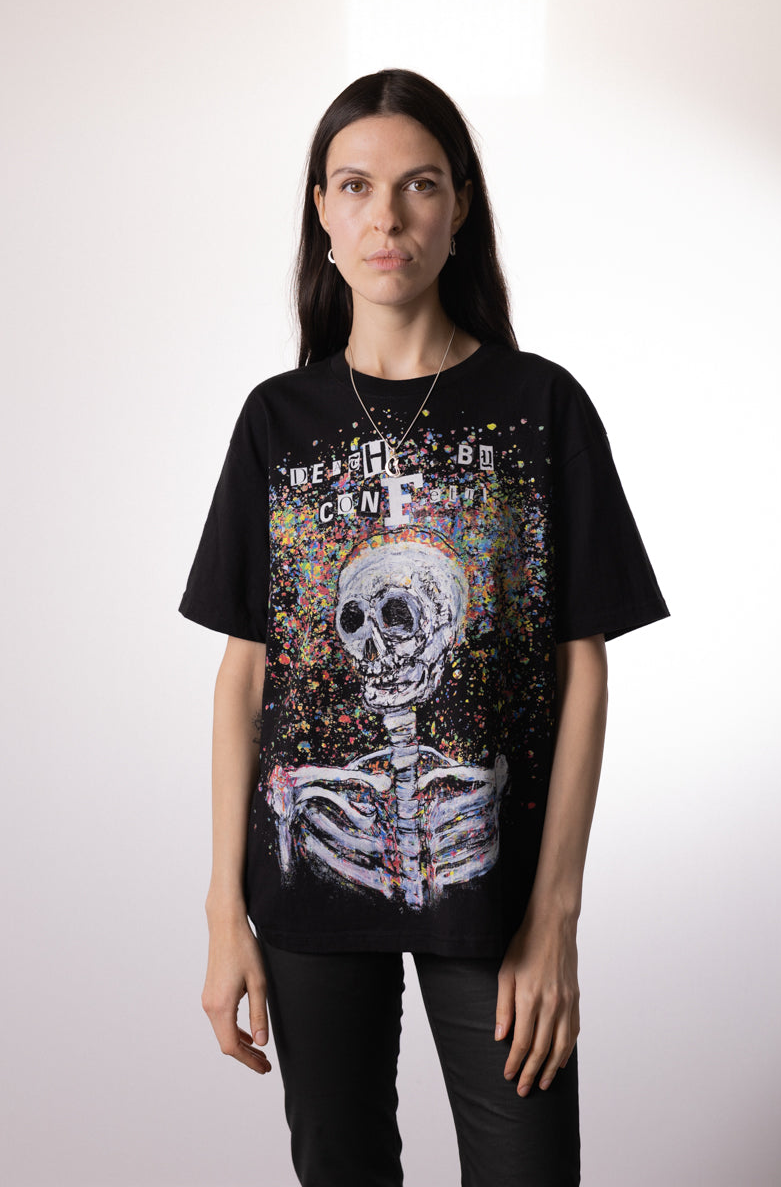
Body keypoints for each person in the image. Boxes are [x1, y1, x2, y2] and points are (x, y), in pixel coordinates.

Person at [179, 68, 669, 1187]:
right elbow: (244, 676)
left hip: (496, 898)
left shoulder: (541, 406)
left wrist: (554, 916)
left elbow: (581, 667)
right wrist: (221, 910)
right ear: (321, 209)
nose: (386, 217)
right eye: (355, 186)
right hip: (304, 901)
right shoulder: (276, 421)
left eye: (419, 185)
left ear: (460, 207)